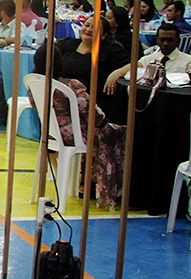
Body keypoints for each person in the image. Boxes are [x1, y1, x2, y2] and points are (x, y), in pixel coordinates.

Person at [31, 48, 127, 210]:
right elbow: (94, 115)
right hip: (80, 137)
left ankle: (86, 181)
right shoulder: (71, 86)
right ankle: (112, 191)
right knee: (121, 133)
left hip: (53, 134)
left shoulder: (35, 84)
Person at [52, 15, 130, 121]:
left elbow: (136, 64)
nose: (88, 30)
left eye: (95, 28)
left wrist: (117, 73)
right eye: (87, 25)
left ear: (104, 35)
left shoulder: (111, 51)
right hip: (61, 100)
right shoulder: (67, 45)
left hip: (92, 105)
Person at [104, 22, 191, 92]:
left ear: (178, 41)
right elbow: (133, 67)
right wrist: (115, 74)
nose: (166, 44)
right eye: (162, 40)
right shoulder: (147, 60)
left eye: (170, 40)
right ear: (157, 40)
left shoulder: (190, 62)